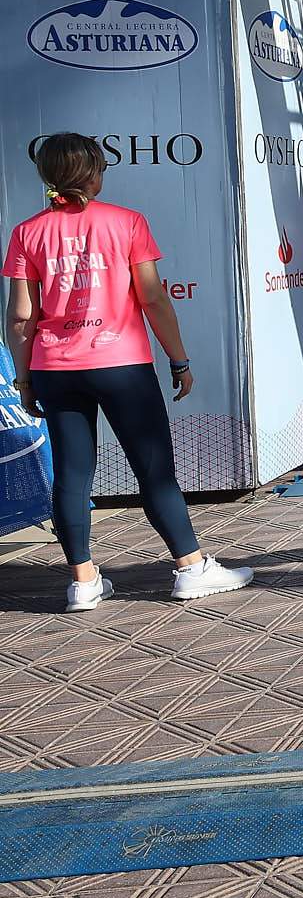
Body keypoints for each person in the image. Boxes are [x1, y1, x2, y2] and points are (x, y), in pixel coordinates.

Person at [3, 133, 255, 612]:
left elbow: (20, 317)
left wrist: (25, 376)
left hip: (55, 367)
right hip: (121, 364)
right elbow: (153, 299)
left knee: (73, 475)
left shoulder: (26, 232)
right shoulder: (127, 223)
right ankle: (190, 567)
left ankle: (82, 582)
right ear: (92, 173)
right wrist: (178, 358)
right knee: (154, 470)